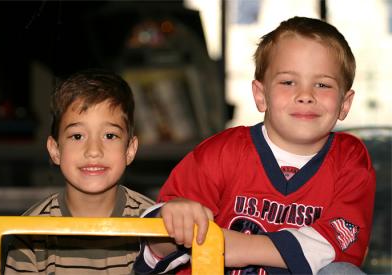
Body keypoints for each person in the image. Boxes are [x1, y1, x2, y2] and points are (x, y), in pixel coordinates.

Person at [133, 16, 376, 274]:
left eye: (322, 84)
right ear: (261, 95)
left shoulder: (349, 158)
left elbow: (337, 243)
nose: (306, 95)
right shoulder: (221, 153)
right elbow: (158, 249)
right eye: (288, 82)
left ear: (345, 103)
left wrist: (238, 246)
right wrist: (172, 222)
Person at [4, 69, 154, 274]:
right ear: (55, 150)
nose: (93, 151)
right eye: (77, 136)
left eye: (109, 135)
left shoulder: (154, 226)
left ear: (130, 150)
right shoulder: (30, 233)